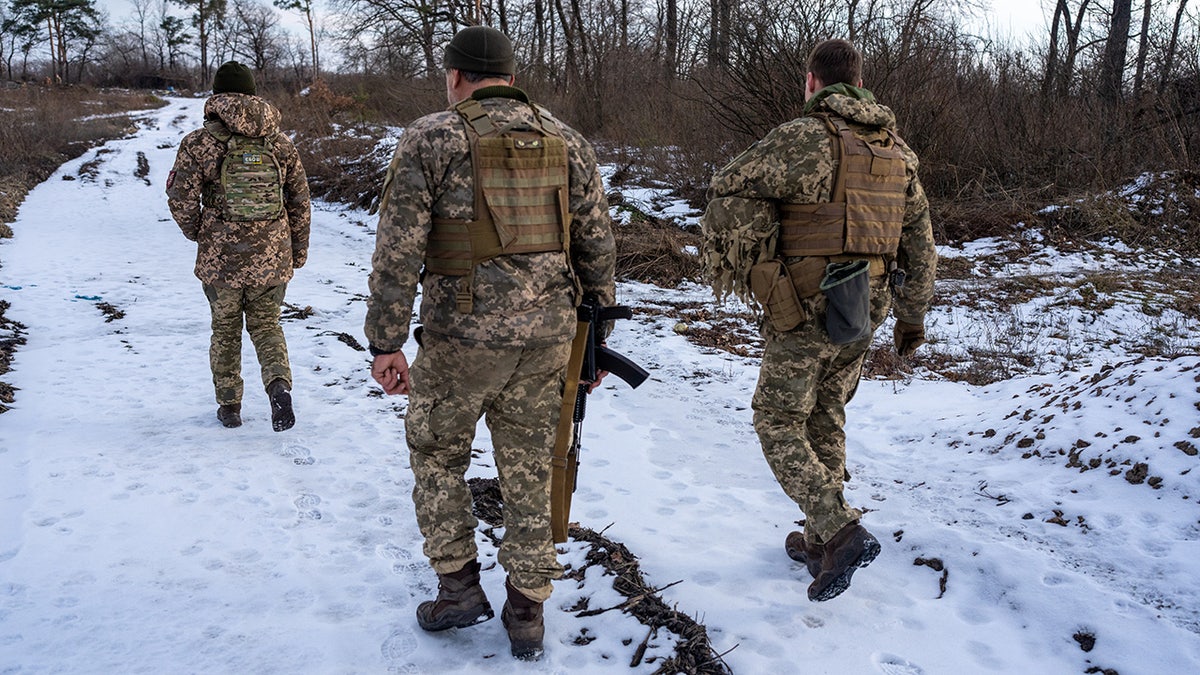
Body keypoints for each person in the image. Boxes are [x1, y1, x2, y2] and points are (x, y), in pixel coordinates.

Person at [364, 26, 616, 660]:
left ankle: (457, 589)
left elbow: (398, 249)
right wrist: (595, 340)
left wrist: (386, 341)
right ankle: (528, 610)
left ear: (455, 76)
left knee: (436, 451)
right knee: (531, 467)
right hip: (549, 338)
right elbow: (597, 248)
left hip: (460, 339)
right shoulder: (567, 140)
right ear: (510, 73)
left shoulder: (433, 137)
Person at [701, 39, 937, 602]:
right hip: (868, 304)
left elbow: (726, 185)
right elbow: (922, 246)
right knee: (826, 412)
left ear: (813, 83)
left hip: (804, 302)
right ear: (859, 82)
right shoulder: (896, 153)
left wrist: (759, 262)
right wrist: (912, 317)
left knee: (777, 419)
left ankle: (839, 528)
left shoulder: (799, 138)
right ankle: (816, 543)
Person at [166, 61, 311, 432]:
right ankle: (279, 386)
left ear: (216, 96)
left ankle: (229, 406)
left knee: (225, 329)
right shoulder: (280, 143)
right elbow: (300, 200)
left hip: (221, 260)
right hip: (272, 255)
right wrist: (297, 250)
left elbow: (180, 197)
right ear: (253, 93)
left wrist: (200, 231)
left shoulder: (198, 143)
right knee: (267, 326)